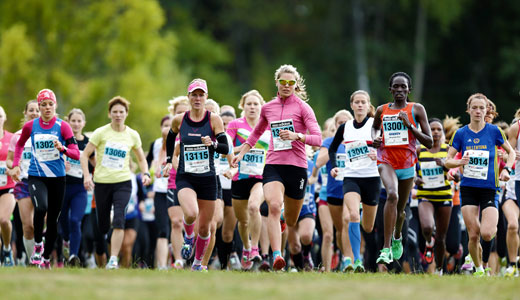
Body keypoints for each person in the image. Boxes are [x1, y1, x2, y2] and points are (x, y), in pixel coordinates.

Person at [232, 64, 322, 271]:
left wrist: (297, 136)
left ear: (296, 85)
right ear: (277, 83)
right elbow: (255, 135)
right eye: (283, 82)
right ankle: (276, 255)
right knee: (273, 206)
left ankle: (282, 219)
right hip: (273, 165)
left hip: (297, 167)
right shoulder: (268, 108)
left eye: (291, 83)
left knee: (290, 219)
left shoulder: (303, 108)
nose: (287, 86)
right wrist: (240, 155)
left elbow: (317, 138)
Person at [445, 93, 515, 277]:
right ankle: (479, 269)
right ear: (468, 110)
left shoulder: (494, 132)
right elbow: (448, 160)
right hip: (468, 189)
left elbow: (512, 153)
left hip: (490, 190)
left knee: (486, 233)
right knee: (473, 234)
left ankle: (482, 262)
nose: (478, 111)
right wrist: (460, 163)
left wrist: (507, 169)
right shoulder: (461, 134)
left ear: (486, 110)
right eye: (474, 108)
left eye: (481, 108)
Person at [163, 78, 229, 271]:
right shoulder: (179, 119)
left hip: (208, 178)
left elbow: (225, 146)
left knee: (205, 228)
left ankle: (198, 264)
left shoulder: (214, 119)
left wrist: (213, 144)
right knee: (191, 214)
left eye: (201, 95)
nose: (198, 98)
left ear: (206, 97)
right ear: (189, 97)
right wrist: (169, 161)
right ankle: (188, 237)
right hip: (186, 177)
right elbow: (170, 137)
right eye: (194, 95)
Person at [10, 89, 81, 269]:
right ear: (39, 107)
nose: (47, 108)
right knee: (41, 207)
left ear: (55, 105)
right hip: (36, 176)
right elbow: (19, 145)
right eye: (43, 104)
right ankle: (38, 247)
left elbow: (75, 154)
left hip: (57, 178)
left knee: (52, 223)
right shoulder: (31, 126)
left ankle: (47, 258)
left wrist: (62, 149)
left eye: (50, 104)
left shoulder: (63, 126)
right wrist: (16, 164)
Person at [81, 96, 151, 269]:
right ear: (109, 114)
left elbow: (141, 158)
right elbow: (84, 155)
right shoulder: (101, 133)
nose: (118, 115)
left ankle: (113, 259)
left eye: (121, 112)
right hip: (102, 183)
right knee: (103, 226)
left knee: (119, 219)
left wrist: (146, 173)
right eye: (115, 112)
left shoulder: (132, 135)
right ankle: (102, 252)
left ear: (126, 114)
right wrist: (87, 176)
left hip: (123, 183)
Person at [372, 72, 433, 265]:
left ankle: (398, 234)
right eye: (395, 87)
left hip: (407, 164)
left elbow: (429, 141)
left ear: (409, 90)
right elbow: (374, 128)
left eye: (403, 87)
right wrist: (375, 137)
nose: (399, 90)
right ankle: (386, 248)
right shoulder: (382, 110)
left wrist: (410, 126)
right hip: (385, 160)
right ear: (390, 89)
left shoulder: (416, 109)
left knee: (400, 211)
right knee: (392, 195)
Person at [328, 90, 380, 272]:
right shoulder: (345, 127)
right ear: (351, 105)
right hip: (351, 178)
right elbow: (332, 149)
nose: (359, 105)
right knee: (352, 216)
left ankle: (362, 256)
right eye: (356, 102)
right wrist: (334, 166)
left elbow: (388, 148)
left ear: (368, 105)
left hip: (372, 178)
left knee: (368, 225)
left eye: (363, 102)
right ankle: (356, 261)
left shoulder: (376, 125)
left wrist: (378, 154)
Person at [227, 90, 269, 269]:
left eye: (256, 104)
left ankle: (255, 249)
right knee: (242, 221)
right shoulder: (235, 125)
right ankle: (246, 247)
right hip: (239, 177)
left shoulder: (268, 126)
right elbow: (226, 146)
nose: (252, 107)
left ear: (261, 106)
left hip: (261, 176)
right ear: (242, 106)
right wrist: (240, 151)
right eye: (249, 104)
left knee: (254, 207)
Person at [312, 110, 354, 272]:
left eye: (346, 122)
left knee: (345, 226)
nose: (342, 125)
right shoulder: (329, 142)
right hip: (328, 194)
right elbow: (319, 162)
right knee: (330, 234)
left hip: (350, 192)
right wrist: (333, 149)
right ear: (335, 125)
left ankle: (348, 262)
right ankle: (327, 269)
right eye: (339, 123)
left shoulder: (355, 142)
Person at [414, 118, 453, 275]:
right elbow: (410, 170)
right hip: (425, 195)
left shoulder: (448, 150)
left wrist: (445, 165)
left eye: (439, 129)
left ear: (442, 133)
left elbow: (457, 175)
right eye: (432, 129)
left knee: (442, 238)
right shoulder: (419, 150)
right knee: (428, 227)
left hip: (444, 195)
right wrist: (415, 179)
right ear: (426, 132)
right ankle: (428, 242)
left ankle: (439, 269)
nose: (436, 132)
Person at [6, 100, 40, 265]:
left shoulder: (49, 134)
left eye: (37, 110)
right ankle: (33, 260)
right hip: (24, 183)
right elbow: (10, 160)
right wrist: (13, 169)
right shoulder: (17, 136)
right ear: (25, 113)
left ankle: (44, 256)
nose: (34, 112)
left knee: (41, 224)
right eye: (31, 110)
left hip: (44, 182)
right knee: (28, 227)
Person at [60, 108, 93, 266]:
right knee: (63, 220)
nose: (76, 124)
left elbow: (95, 164)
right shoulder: (62, 139)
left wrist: (90, 175)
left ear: (84, 123)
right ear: (68, 121)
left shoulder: (87, 143)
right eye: (73, 120)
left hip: (79, 189)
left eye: (79, 121)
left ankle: (73, 255)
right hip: (63, 186)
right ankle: (66, 241)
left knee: (75, 220)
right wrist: (61, 163)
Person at [165, 96, 190, 269]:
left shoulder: (199, 130)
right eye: (178, 113)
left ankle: (193, 255)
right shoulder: (171, 135)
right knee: (176, 222)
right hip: (175, 180)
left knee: (192, 219)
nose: (181, 115)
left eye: (184, 112)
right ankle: (179, 259)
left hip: (196, 180)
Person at [503, 110, 520, 277]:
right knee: (513, 225)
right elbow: (508, 153)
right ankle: (512, 265)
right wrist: (511, 156)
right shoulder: (516, 128)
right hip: (515, 185)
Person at [0, 106, 15, 266]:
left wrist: (11, 168)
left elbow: (17, 160)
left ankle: (7, 249)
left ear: (4, 118)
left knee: (4, 220)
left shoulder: (12, 138)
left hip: (8, 186)